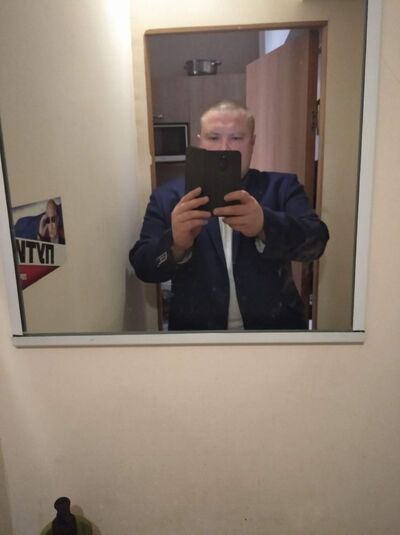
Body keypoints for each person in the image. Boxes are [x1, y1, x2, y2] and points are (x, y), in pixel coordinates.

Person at [130, 100, 329, 330]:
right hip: (197, 336)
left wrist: (265, 224)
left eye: (236, 137)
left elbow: (317, 243)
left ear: (252, 143)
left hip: (274, 333)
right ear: (200, 142)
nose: (224, 148)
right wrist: (175, 245)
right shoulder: (168, 197)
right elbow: (143, 267)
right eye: (213, 138)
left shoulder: (282, 187)